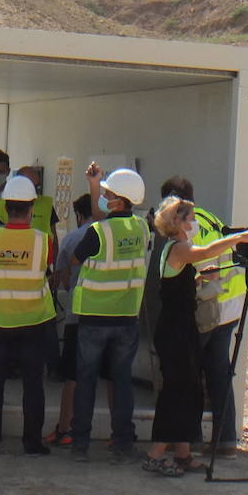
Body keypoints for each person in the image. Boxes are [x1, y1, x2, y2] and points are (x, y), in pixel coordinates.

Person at [145, 197, 248, 475]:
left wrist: (197, 279)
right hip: (175, 330)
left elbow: (177, 282)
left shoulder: (175, 249)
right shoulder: (180, 247)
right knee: (176, 391)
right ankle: (156, 454)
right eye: (190, 218)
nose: (194, 222)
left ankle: (183, 453)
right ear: (178, 222)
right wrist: (239, 237)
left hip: (181, 327)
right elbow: (206, 250)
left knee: (188, 389)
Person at [159, 175, 246, 457]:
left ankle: (190, 440)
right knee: (220, 374)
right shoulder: (209, 218)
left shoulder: (187, 230)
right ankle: (225, 441)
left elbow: (203, 259)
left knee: (190, 376)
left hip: (207, 307)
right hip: (230, 304)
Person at [69, 164, 150, 463]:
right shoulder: (142, 228)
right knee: (122, 381)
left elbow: (78, 257)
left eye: (107, 194)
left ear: (119, 200)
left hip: (93, 316)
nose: (103, 197)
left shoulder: (97, 231)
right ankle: (123, 444)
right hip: (126, 316)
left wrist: (94, 186)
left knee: (86, 380)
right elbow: (112, 223)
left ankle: (80, 444)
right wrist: (95, 185)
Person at [0, 175, 57, 456]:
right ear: (32, 208)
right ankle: (32, 442)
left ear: (5, 207)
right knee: (33, 383)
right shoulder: (43, 240)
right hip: (34, 320)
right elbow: (47, 267)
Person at [46, 194, 99, 447]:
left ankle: (65, 428)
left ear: (78, 214)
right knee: (112, 376)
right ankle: (119, 436)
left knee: (73, 376)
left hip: (78, 315)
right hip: (114, 314)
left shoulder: (72, 238)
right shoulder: (114, 234)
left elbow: (61, 280)